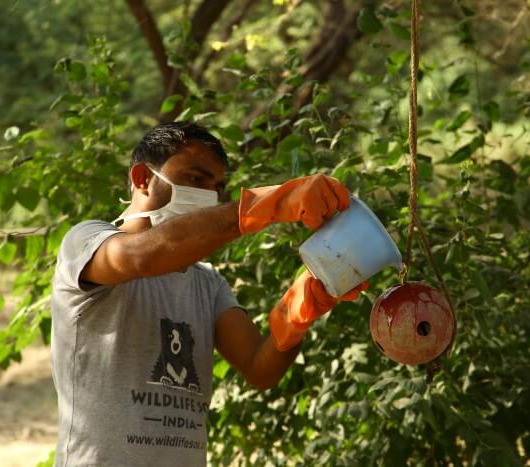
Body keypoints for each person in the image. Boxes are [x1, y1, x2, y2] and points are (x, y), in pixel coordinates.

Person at [50, 122, 367, 466]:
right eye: (195, 179)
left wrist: (299, 310)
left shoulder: (208, 284)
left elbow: (259, 368)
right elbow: (140, 256)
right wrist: (268, 205)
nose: (208, 196)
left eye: (216, 188)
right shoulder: (86, 242)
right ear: (142, 178)